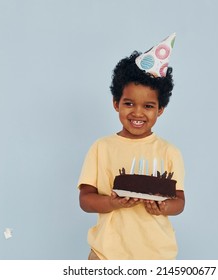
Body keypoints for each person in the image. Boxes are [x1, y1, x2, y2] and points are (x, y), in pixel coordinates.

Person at [77, 33, 185, 260]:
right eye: (128, 103)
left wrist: (164, 207)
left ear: (160, 109)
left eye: (148, 106)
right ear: (116, 103)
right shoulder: (101, 148)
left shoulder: (169, 152)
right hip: (106, 254)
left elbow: (179, 201)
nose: (137, 113)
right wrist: (110, 202)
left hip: (156, 255)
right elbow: (85, 199)